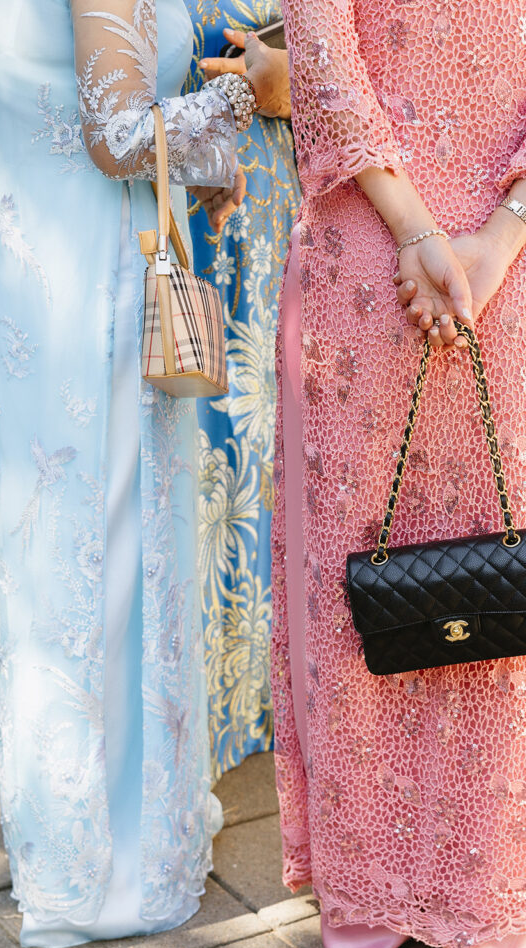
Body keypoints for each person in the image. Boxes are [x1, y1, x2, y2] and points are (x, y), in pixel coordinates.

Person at [270, 0, 526, 948]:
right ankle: (493, 896)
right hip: (516, 267)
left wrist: (421, 237)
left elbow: (326, 71)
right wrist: (491, 244)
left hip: (371, 258)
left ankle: (370, 895)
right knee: (505, 555)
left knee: (361, 550)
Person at [0, 0, 283, 948]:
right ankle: (97, 874)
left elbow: (83, 127)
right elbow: (119, 139)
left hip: (50, 288)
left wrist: (204, 164)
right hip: (94, 305)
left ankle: (72, 851)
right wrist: (252, 88)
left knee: (64, 580)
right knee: (101, 573)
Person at [184, 7, 301, 778]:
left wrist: (295, 87)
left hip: (275, 205)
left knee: (261, 445)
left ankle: (257, 699)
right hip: (171, 200)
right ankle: (189, 707)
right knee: (190, 440)